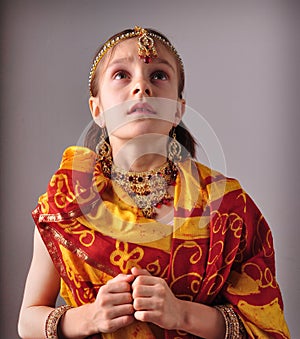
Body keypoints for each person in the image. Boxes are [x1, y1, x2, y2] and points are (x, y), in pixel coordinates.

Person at [18, 26, 290, 339]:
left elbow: (265, 324)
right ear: (97, 109)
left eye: (158, 75)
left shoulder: (227, 206)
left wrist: (183, 314)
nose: (142, 87)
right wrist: (89, 318)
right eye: (121, 75)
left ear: (178, 109)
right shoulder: (66, 201)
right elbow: (27, 320)